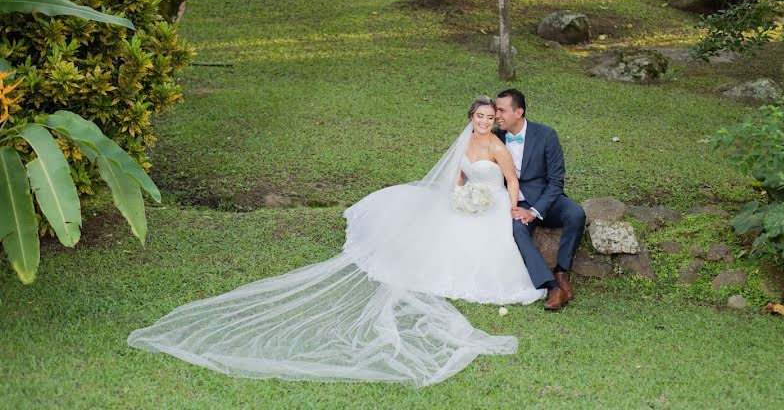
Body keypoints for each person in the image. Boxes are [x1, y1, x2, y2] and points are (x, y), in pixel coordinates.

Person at [128, 96, 542, 387]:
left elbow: (510, 182)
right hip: (465, 200)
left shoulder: (498, 147)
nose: (484, 121)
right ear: (471, 117)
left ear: (496, 121)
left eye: (490, 117)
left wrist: (504, 208)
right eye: (480, 116)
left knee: (482, 247)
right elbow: (459, 176)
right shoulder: (466, 143)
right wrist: (456, 195)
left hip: (492, 207)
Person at [494, 89, 586, 311]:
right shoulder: (495, 137)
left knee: (576, 214)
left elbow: (556, 181)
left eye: (501, 110)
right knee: (517, 230)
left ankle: (562, 272)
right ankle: (552, 287)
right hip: (515, 202)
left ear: (519, 112)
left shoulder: (546, 135)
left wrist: (534, 211)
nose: (497, 115)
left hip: (545, 200)